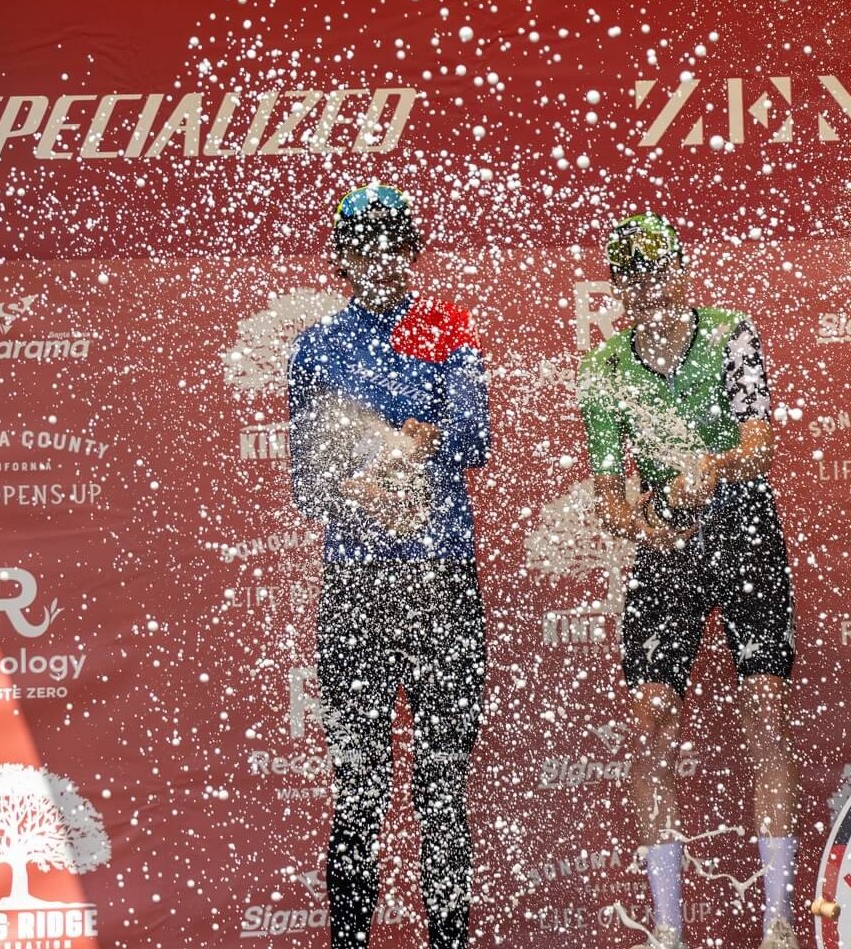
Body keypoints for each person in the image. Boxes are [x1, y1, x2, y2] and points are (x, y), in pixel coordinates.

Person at [577, 212, 801, 949]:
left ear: (681, 270)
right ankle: (667, 929)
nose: (649, 285)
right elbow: (610, 500)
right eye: (633, 275)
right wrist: (645, 526)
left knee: (766, 711)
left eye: (658, 269)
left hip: (744, 529)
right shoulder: (604, 368)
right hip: (667, 548)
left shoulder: (732, 332)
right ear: (620, 289)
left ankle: (778, 923)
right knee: (650, 720)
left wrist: (713, 466)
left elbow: (759, 447)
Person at [288, 183, 490, 949]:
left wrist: (414, 445)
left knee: (441, 789)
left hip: (441, 578)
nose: (379, 258)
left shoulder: (447, 326)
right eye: (363, 245)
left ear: (412, 253)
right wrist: (359, 487)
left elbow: (474, 439)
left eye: (393, 243)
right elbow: (306, 485)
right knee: (359, 789)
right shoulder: (315, 346)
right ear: (340, 258)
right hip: (357, 584)